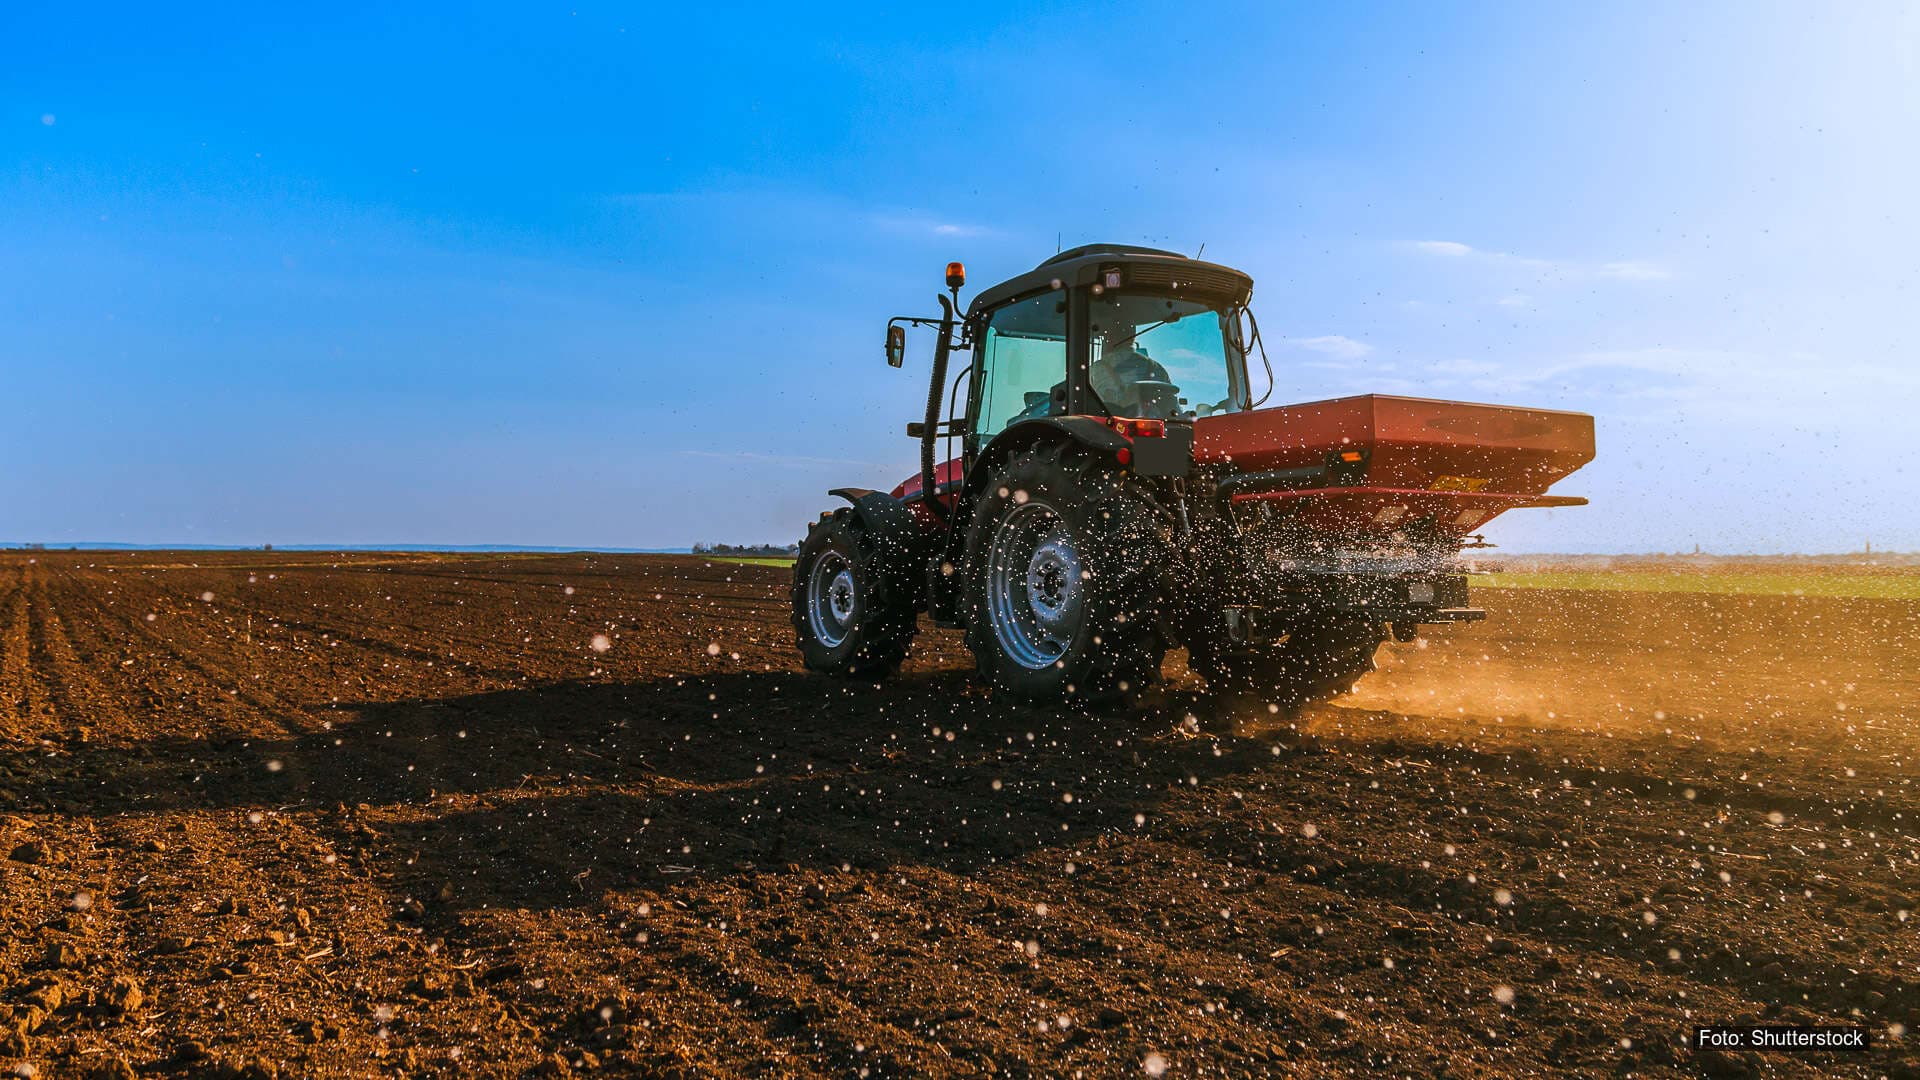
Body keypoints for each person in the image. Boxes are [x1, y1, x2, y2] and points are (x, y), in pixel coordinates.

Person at [1090, 321, 1176, 418]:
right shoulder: (1156, 368)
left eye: (1106, 336)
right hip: (1152, 424)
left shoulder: (1096, 369)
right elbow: (1172, 409)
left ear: (1109, 337)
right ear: (1133, 336)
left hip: (1108, 425)